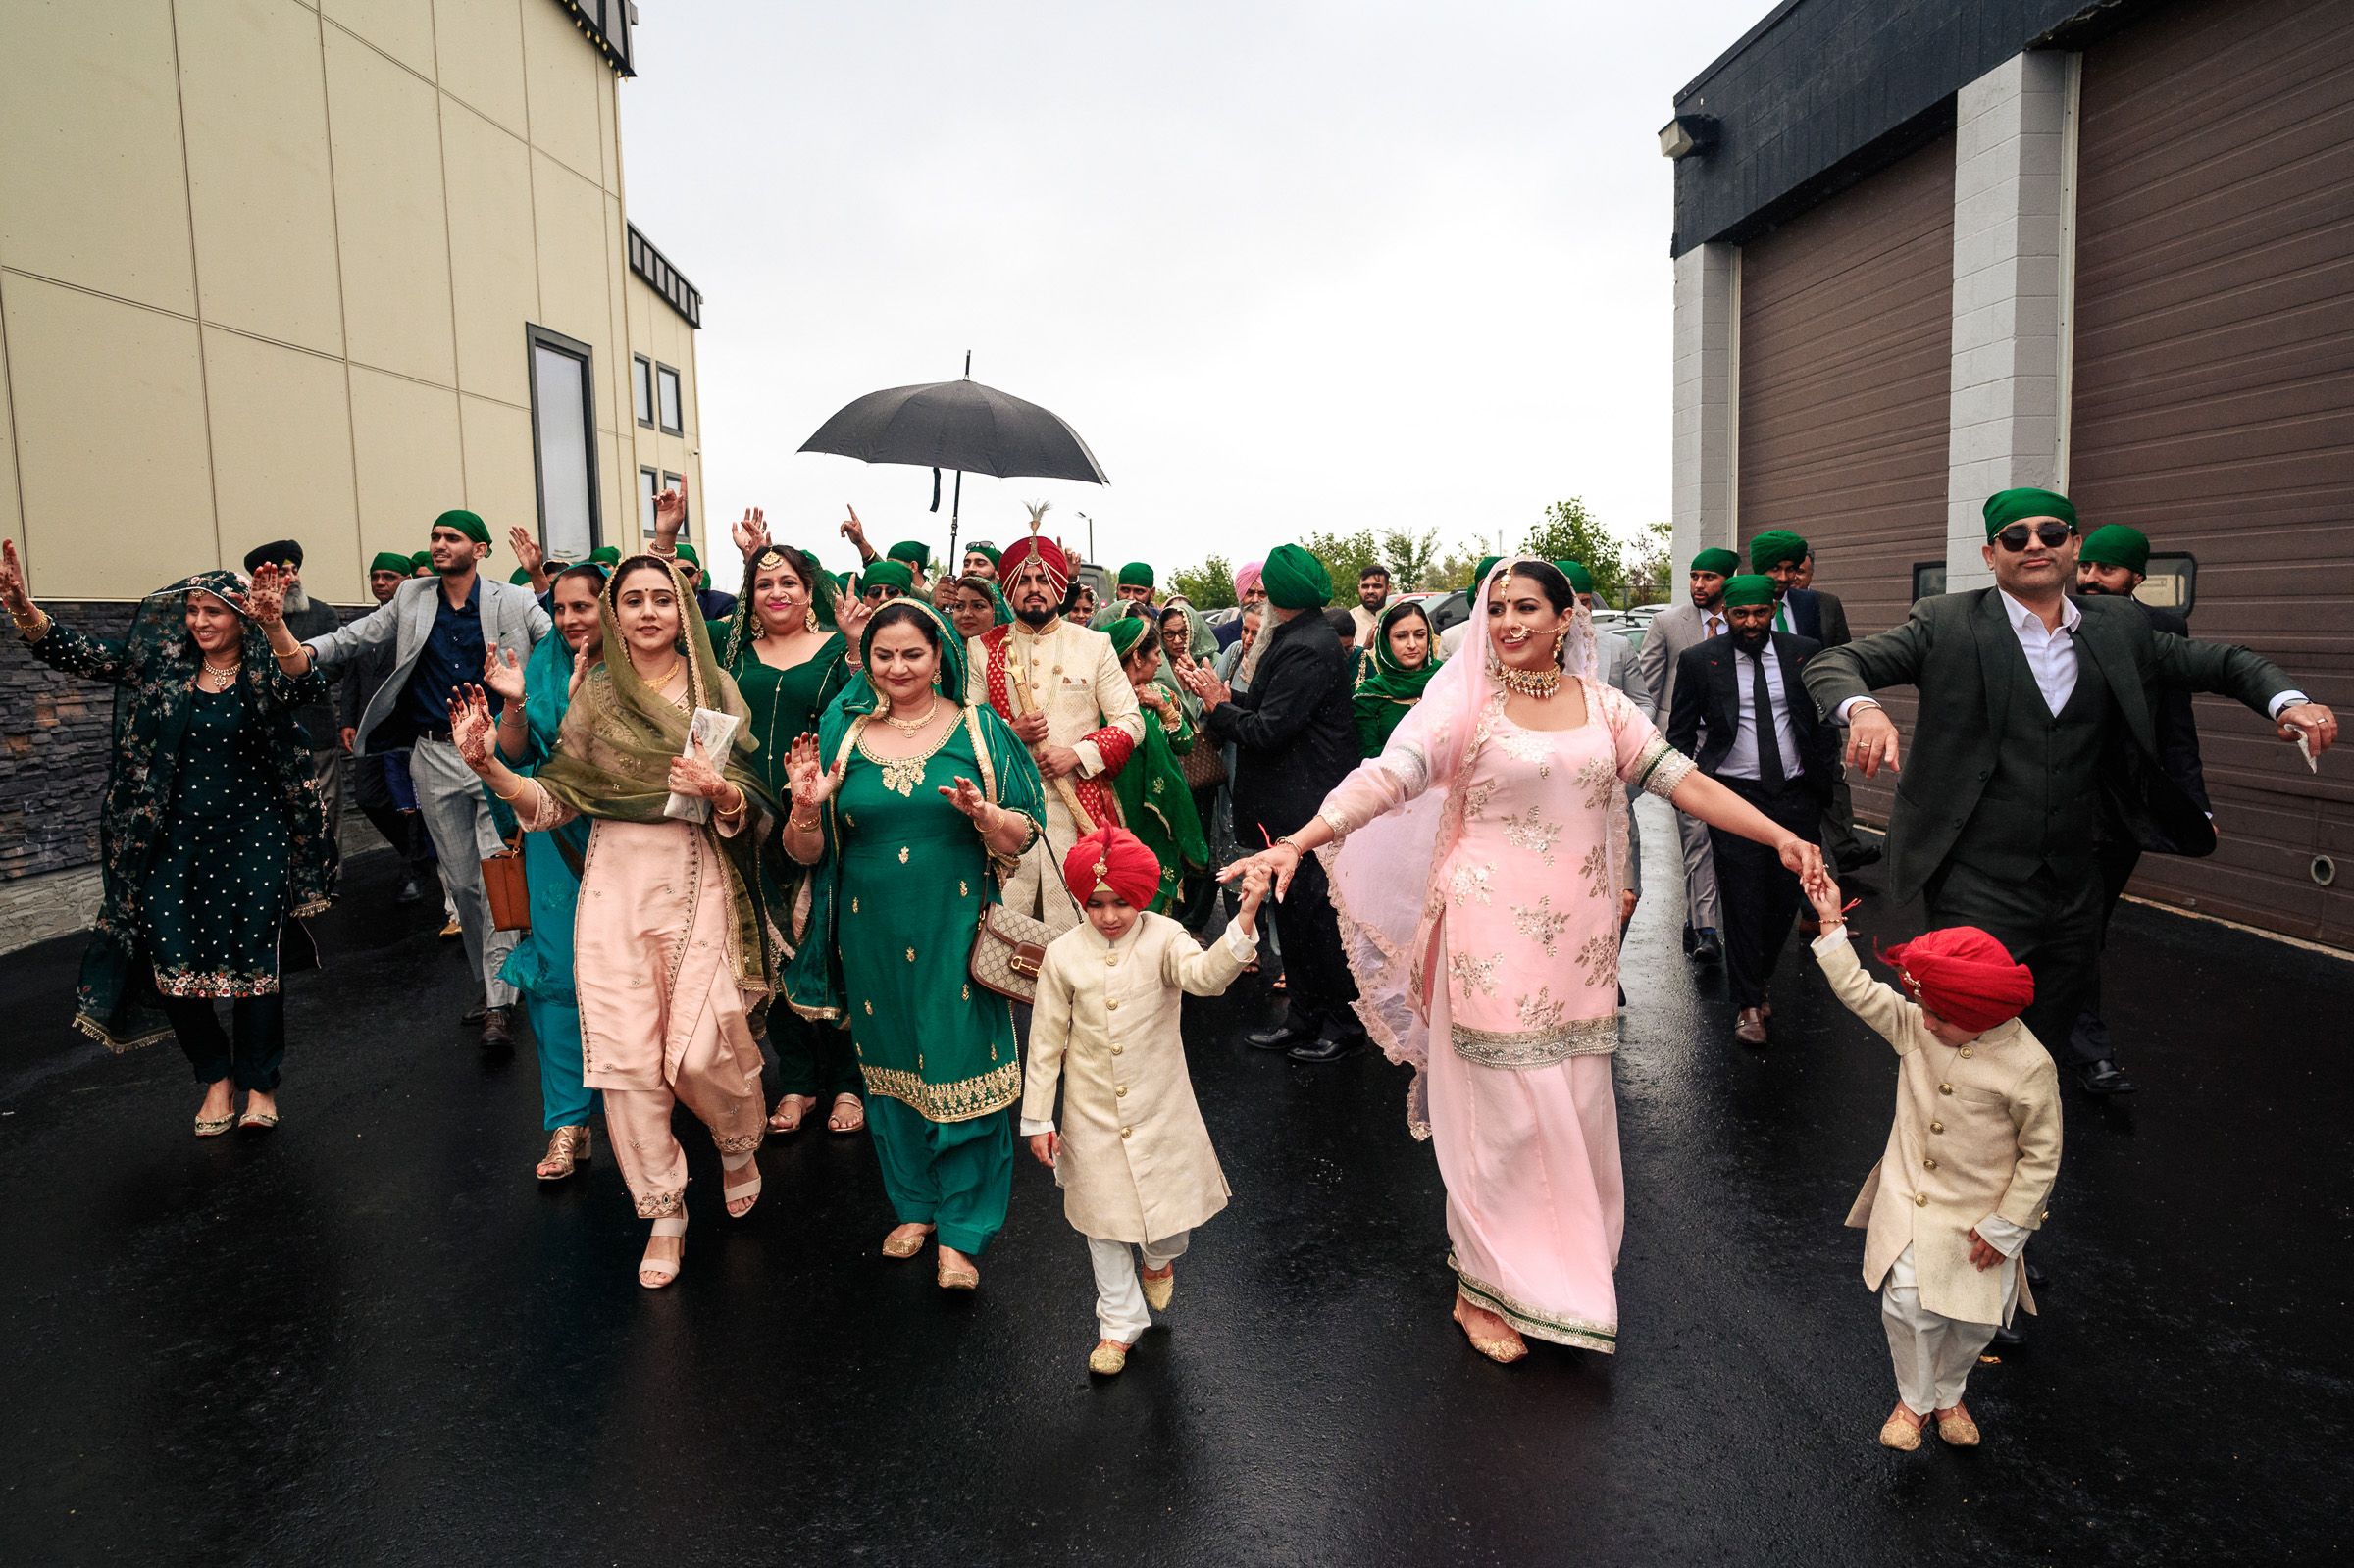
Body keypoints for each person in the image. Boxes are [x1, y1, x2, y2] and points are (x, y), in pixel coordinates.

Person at [1223, 558, 1830, 1363]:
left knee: (1574, 1104)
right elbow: (1388, 778)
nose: (1507, 623)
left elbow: (1688, 784)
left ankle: (1561, 1270)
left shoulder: (1607, 710)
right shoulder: (1467, 710)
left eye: (1526, 608)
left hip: (1577, 940)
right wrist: (1301, 839)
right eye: (1496, 608)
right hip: (1485, 929)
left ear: (1565, 618)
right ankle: (1483, 1285)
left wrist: (1781, 835)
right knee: (1503, 1111)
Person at [1806, 487, 2335, 1097]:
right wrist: (1865, 710)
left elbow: (2224, 662)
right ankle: (1952, 1169)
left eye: (2052, 534)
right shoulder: (1946, 621)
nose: (2035, 545)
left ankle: (2026, 1169)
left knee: (2043, 1049)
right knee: (1965, 1039)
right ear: (1990, 553)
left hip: (2076, 881)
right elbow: (1832, 663)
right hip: (1976, 878)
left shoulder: (2120, 628)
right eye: (2015, 536)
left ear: (2074, 545)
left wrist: (2290, 701)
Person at [448, 556, 779, 1288]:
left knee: (696, 1051)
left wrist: (720, 789)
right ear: (613, 612)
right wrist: (491, 770)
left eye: (664, 598)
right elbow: (559, 797)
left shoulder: (710, 688)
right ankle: (664, 1209)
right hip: (613, 884)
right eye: (633, 600)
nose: (649, 611)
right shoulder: (594, 695)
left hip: (694, 875)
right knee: (627, 1060)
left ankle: (733, 1140)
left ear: (684, 609)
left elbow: (747, 801)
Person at [1, 543, 334, 1130]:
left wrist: (276, 625)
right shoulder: (162, 665)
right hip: (170, 842)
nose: (200, 622)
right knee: (174, 964)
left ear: (240, 616)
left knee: (257, 965)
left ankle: (260, 1085)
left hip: (253, 838)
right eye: (192, 611)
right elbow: (87, 656)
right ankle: (214, 1078)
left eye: (215, 611)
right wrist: (26, 609)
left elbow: (303, 686)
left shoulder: (264, 666)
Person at [781, 599, 1047, 1290]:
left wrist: (988, 817)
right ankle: (916, 1205)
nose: (897, 668)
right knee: (893, 1070)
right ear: (866, 660)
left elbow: (1027, 829)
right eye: (883, 654)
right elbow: (804, 851)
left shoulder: (980, 729)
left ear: (940, 658)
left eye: (912, 654)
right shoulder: (843, 734)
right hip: (867, 932)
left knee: (960, 1068)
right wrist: (806, 808)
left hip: (953, 928)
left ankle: (963, 1230)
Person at [1801, 877, 2059, 1452]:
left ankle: (1949, 1391)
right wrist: (1829, 923)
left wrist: (2010, 1226)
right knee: (1909, 1304)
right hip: (1913, 1202)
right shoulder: (1920, 1025)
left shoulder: (2029, 1067)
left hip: (1980, 1221)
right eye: (1924, 1010)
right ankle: (1915, 1401)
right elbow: (1861, 992)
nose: (1928, 1022)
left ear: (1982, 1014)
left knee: (1973, 1322)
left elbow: (2042, 1157)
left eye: (1941, 1016)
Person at [299, 509, 550, 1047]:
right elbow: (356, 636)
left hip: (495, 753)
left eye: (451, 538)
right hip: (433, 755)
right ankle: (491, 986)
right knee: (461, 886)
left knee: (495, 876)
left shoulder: (513, 600)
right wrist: (301, 651)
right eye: (434, 537)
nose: (439, 544)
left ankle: (499, 1006)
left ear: (479, 549)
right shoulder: (413, 597)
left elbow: (557, 638)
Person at [1023, 827, 1268, 1375]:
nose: (1109, 916)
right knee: (1101, 1222)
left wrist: (1244, 921)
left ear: (1143, 897)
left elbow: (1204, 978)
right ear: (1082, 900)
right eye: (1096, 904)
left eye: (1122, 903)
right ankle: (1118, 1325)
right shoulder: (1063, 955)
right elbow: (1044, 1044)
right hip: (1089, 1116)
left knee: (1167, 1220)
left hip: (1161, 1107)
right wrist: (1038, 1118)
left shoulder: (1165, 936)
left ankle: (1160, 1262)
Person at [702, 517, 865, 1137]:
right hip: (742, 813)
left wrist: (853, 644)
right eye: (764, 583)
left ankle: (848, 1084)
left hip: (819, 811)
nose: (777, 593)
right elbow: (676, 622)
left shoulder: (834, 650)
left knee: (827, 942)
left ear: (809, 591)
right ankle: (796, 1082)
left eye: (789, 582)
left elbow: (863, 708)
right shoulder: (732, 647)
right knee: (773, 952)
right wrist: (668, 538)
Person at [1180, 544, 1366, 1064]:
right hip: (1289, 805)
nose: (1256, 602)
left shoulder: (1306, 645)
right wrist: (1226, 698)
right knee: (1295, 918)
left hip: (1304, 807)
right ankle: (1304, 1018)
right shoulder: (1297, 636)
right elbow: (1266, 711)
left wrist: (1218, 708)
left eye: (1263, 593)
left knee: (1317, 920)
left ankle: (1341, 1023)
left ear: (1279, 598)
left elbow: (1268, 731)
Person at [1665, 575, 1841, 1044]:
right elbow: (1680, 733)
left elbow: (1821, 723)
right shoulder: (1701, 660)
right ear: (1727, 614)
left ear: (1771, 610)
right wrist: (1689, 790)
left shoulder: (1802, 651)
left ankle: (1758, 978)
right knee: (1743, 899)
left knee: (1783, 900)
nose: (1750, 623)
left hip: (1795, 795)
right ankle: (1747, 1003)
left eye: (1759, 613)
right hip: (1735, 798)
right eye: (1740, 614)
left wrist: (1825, 779)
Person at [477, 563, 606, 1179]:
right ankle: (567, 1125)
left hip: (632, 834)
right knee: (558, 979)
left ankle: (651, 1126)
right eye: (561, 608)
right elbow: (516, 755)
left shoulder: (650, 665)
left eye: (584, 606)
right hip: (554, 838)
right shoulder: (541, 662)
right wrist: (515, 703)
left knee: (638, 977)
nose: (571, 619)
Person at [2068, 523, 2210, 1072]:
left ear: (2137, 578)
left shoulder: (2163, 631)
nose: (2091, 578)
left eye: (2106, 569)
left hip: (2119, 809)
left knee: (2087, 925)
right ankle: (2086, 1046)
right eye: (2087, 567)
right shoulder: (2051, 621)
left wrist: (2196, 805)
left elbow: (2178, 727)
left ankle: (2078, 1040)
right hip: (2048, 798)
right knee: (2063, 923)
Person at [966, 531, 1146, 936]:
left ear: (1061, 585)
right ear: (1008, 588)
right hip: (1007, 812)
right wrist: (1010, 731)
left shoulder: (1095, 645)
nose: (1035, 589)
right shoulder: (983, 648)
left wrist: (1078, 754)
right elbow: (967, 730)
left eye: (1044, 579)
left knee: (1084, 936)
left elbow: (1131, 723)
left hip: (1080, 809)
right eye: (1024, 580)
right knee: (1001, 940)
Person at [1632, 547, 1738, 966]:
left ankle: (1715, 920)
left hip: (1735, 749)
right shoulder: (1667, 623)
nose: (1698, 585)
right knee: (1697, 837)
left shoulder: (1745, 622)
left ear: (1728, 581)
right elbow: (1647, 687)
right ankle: (1706, 929)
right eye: (1694, 576)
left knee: (1733, 840)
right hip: (1686, 747)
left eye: (1709, 577)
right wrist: (1650, 748)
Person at [1101, 615, 1209, 913]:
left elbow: (1185, 743)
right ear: (1137, 656)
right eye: (1156, 654)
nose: (1161, 664)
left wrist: (1163, 707)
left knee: (1156, 885)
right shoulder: (1101, 701)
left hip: (1160, 814)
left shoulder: (1162, 694)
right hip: (1118, 808)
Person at [242, 541, 345, 846]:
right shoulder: (246, 617)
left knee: (325, 804)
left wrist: (294, 685)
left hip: (314, 728)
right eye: (283, 572)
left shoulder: (323, 614)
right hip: (263, 731)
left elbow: (335, 666)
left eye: (295, 570)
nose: (293, 577)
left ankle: (331, 881)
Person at [344, 551, 433, 903]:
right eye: (375, 576)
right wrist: (348, 721)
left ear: (406, 581)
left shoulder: (420, 622)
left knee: (411, 802)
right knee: (369, 798)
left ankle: (413, 869)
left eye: (389, 577)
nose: (381, 583)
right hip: (371, 730)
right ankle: (417, 852)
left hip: (408, 730)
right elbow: (353, 677)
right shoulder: (364, 624)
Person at [1353, 599, 1439, 756]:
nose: (1412, 644)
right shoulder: (1370, 694)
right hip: (1390, 778)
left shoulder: (1446, 679)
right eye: (1401, 637)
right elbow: (1367, 754)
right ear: (1385, 642)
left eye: (1420, 635)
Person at [1748, 530, 1828, 643]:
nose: (1783, 577)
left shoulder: (1808, 601)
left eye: (1790, 569)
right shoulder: (1743, 604)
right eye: (1776, 569)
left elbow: (1817, 650)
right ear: (1760, 570)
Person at [1435, 555, 1502, 659]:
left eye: (1501, 584)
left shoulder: (1525, 632)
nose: (1492, 590)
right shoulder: (1451, 637)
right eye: (1485, 584)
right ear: (1476, 593)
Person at [944, 573, 1013, 645]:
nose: (967, 614)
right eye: (959, 606)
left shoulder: (1014, 653)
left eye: (978, 606)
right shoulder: (940, 653)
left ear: (996, 610)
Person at [1214, 560, 1266, 651]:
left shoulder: (1283, 634)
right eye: (1250, 593)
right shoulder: (1219, 636)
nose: (1255, 600)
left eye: (1262, 594)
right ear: (1241, 595)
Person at [1350, 564, 1391, 648]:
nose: (1370, 591)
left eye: (1377, 586)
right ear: (1359, 589)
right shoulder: (1349, 619)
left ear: (1388, 589)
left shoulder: (1397, 617)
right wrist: (1364, 648)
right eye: (1365, 587)